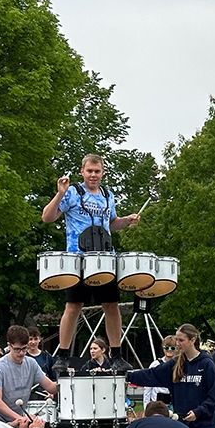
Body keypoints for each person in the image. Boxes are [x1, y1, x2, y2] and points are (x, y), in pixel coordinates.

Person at [41, 153, 140, 372]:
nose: (93, 175)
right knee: (73, 305)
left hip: (104, 258)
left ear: (103, 172)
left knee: (111, 306)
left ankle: (116, 354)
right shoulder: (73, 192)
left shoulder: (107, 195)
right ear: (82, 171)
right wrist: (59, 194)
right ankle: (64, 354)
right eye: (90, 171)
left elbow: (112, 223)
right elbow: (47, 217)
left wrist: (127, 221)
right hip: (79, 259)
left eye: (97, 171)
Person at [0, 325, 58, 422]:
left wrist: (68, 379)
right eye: (17, 349)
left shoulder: (31, 364)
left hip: (18, 418)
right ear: (9, 346)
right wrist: (21, 419)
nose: (21, 353)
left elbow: (51, 387)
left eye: (24, 348)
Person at [141, 334, 177, 406]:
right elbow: (148, 386)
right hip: (157, 402)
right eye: (166, 348)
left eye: (172, 348)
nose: (169, 350)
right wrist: (146, 405)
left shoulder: (180, 364)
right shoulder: (156, 364)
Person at [26, 326, 56, 399]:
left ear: (40, 339)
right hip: (26, 396)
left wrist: (52, 392)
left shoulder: (47, 357)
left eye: (35, 339)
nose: (33, 342)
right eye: (30, 339)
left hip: (44, 396)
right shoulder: (22, 357)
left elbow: (54, 378)